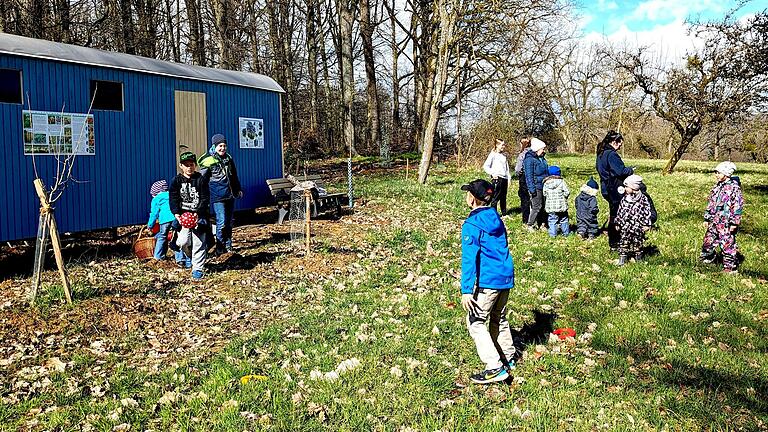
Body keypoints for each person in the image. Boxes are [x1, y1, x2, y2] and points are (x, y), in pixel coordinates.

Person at [459, 179, 516, 384]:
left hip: (488, 281)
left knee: (475, 321)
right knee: (498, 317)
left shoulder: (471, 225)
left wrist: (466, 290)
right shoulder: (495, 217)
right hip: (505, 276)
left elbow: (469, 258)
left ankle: (494, 367)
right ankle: (508, 357)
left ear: (472, 199)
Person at [199, 133, 243, 255]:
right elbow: (202, 180)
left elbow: (233, 175)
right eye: (220, 146)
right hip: (217, 195)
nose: (222, 148)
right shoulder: (207, 160)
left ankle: (228, 246)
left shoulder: (228, 158)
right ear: (214, 146)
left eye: (224, 146)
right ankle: (220, 247)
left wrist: (238, 189)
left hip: (230, 194)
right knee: (221, 221)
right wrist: (202, 196)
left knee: (229, 222)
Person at [169, 151, 210, 279]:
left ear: (195, 165)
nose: (189, 167)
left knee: (198, 242)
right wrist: (176, 213)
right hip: (182, 217)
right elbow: (173, 198)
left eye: (191, 164)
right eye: (186, 165)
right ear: (181, 166)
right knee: (183, 241)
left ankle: (197, 269)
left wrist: (199, 213)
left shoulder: (201, 179)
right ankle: (189, 255)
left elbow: (205, 198)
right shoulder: (176, 181)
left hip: (199, 216)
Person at [700, 161, 744, 273]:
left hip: (727, 223)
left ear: (726, 173)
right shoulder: (717, 187)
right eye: (716, 172)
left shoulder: (734, 188)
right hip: (715, 220)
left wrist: (734, 222)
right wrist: (707, 217)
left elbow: (737, 206)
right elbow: (711, 202)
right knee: (708, 241)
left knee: (727, 244)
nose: (716, 175)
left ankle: (730, 267)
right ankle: (709, 258)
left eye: (719, 172)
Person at [596, 130, 634, 250]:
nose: (620, 146)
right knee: (618, 215)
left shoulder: (601, 153)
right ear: (614, 141)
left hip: (605, 187)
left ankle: (615, 241)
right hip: (615, 187)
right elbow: (620, 171)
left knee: (614, 214)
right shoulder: (611, 154)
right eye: (619, 143)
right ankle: (617, 241)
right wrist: (630, 170)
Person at [614, 175, 652, 266]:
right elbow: (620, 210)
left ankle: (638, 258)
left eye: (627, 186)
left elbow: (647, 211)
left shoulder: (643, 199)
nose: (625, 188)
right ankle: (622, 259)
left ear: (634, 187)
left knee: (637, 243)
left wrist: (647, 224)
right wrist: (618, 222)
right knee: (624, 242)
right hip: (625, 227)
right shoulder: (625, 199)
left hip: (637, 227)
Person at [146, 180, 178, 261]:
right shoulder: (172, 195)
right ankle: (180, 259)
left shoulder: (156, 199)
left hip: (164, 220)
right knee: (176, 237)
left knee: (162, 236)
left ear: (155, 192)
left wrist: (150, 225)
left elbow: (154, 214)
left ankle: (157, 257)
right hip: (175, 218)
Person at [523, 137, 549, 230]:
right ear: (537, 149)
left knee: (544, 207)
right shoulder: (529, 160)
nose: (544, 150)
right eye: (542, 148)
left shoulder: (542, 158)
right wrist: (532, 189)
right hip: (536, 186)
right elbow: (528, 176)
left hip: (544, 186)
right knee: (536, 207)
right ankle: (530, 224)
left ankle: (542, 223)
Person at [483, 139, 511, 215]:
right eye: (502, 145)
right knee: (495, 198)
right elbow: (486, 166)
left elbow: (506, 168)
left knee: (503, 197)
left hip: (504, 178)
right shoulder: (493, 154)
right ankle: (494, 214)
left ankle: (504, 214)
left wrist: (509, 178)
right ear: (497, 145)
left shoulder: (504, 155)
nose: (504, 146)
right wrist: (492, 173)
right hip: (497, 178)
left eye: (504, 145)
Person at [542, 166, 570, 237]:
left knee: (552, 220)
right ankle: (566, 233)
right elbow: (567, 192)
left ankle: (553, 235)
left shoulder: (546, 183)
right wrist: (564, 197)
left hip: (550, 206)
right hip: (561, 205)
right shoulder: (561, 182)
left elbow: (544, 194)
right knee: (564, 219)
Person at [514, 138, 532, 224]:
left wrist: (518, 173)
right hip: (533, 177)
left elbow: (518, 169)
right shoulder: (535, 152)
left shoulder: (522, 154)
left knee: (524, 198)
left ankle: (526, 219)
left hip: (524, 177)